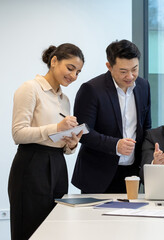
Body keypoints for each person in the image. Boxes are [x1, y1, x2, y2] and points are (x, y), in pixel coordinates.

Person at [8, 43, 85, 240]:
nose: (74, 76)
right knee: (30, 229)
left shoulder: (65, 99)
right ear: (54, 61)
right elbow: (18, 134)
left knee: (55, 229)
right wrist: (57, 128)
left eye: (78, 72)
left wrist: (71, 143)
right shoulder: (30, 88)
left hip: (58, 165)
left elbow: (58, 141)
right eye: (70, 68)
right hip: (32, 164)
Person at [72, 39, 151, 193]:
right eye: (123, 71)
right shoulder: (91, 89)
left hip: (132, 172)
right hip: (98, 173)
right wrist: (115, 145)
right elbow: (82, 133)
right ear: (109, 66)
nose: (130, 76)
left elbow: (146, 127)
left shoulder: (143, 86)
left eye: (134, 69)